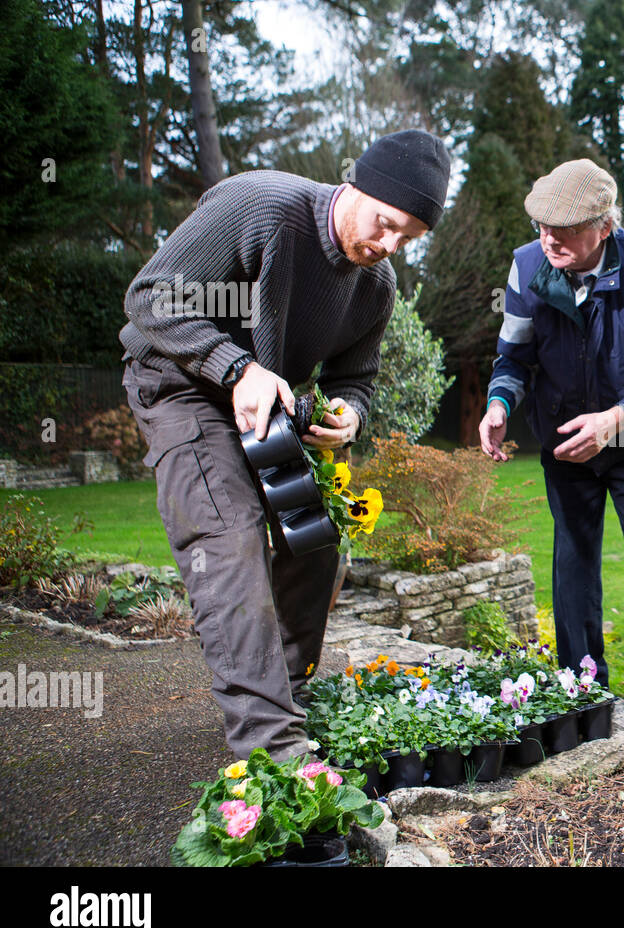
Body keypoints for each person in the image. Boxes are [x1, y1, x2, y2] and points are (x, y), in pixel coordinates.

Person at [119, 129, 451, 761]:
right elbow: (149, 298)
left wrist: (347, 415)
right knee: (228, 537)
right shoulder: (263, 206)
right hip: (179, 382)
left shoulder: (374, 289)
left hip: (266, 409)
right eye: (386, 225)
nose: (389, 247)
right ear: (355, 186)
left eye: (409, 239)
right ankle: (272, 745)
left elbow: (357, 379)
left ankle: (288, 691)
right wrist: (234, 368)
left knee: (315, 534)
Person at [478, 158, 624, 729]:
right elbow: (513, 359)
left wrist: (614, 420)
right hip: (567, 444)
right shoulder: (529, 267)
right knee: (572, 564)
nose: (548, 238)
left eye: (564, 229)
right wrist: (499, 405)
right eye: (542, 225)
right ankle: (581, 703)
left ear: (604, 226)